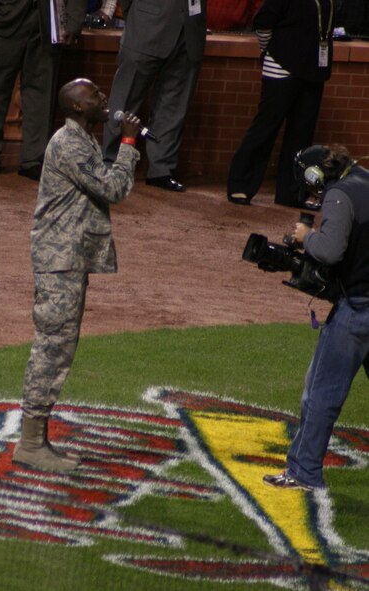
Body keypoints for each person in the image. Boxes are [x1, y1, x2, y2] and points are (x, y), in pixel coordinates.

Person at [13, 78, 140, 471]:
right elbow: (113, 188)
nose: (104, 99)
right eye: (95, 96)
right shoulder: (68, 143)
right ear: (77, 108)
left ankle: (38, 440)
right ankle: (30, 444)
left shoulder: (82, 140)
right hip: (59, 259)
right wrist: (129, 144)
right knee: (52, 347)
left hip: (69, 256)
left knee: (59, 345)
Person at [264, 144, 369, 490]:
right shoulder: (366, 180)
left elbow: (330, 249)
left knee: (321, 393)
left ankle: (303, 472)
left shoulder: (339, 195)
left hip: (358, 312)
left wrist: (306, 237)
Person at [227, 0, 335, 207]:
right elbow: (263, 21)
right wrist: (270, 51)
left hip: (314, 71)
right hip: (281, 65)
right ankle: (240, 185)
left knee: (301, 134)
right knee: (265, 128)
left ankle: (292, 193)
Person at [0, 0, 86, 181]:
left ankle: (34, 159)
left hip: (48, 21)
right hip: (2, 17)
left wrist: (74, 22)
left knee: (42, 93)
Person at [102, 0, 207, 193]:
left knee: (173, 106)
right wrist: (137, 17)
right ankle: (111, 162)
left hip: (190, 30)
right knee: (125, 101)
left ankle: (161, 169)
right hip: (145, 28)